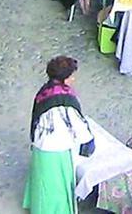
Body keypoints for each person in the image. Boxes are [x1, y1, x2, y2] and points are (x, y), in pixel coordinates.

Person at [24, 56, 94, 213]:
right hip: (57, 149)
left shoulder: (44, 91)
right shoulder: (65, 100)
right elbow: (78, 124)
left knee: (42, 182)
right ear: (64, 78)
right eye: (71, 76)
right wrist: (88, 141)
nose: (73, 79)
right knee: (57, 187)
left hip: (41, 145)